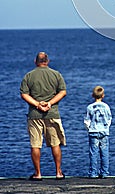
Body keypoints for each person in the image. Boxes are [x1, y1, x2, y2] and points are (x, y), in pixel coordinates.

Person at [20, 52, 66, 181]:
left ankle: (38, 173)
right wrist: (50, 103)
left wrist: (37, 104)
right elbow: (63, 92)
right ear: (48, 61)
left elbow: (24, 94)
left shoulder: (28, 76)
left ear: (36, 61)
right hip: (52, 114)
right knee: (55, 144)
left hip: (34, 115)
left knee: (35, 145)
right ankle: (58, 172)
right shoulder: (56, 74)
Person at [84, 86, 112, 178]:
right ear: (103, 95)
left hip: (93, 131)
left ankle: (93, 173)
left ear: (92, 95)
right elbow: (109, 119)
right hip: (104, 132)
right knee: (104, 152)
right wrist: (106, 128)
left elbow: (86, 121)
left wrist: (89, 129)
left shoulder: (89, 107)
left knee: (93, 153)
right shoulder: (106, 106)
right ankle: (104, 172)